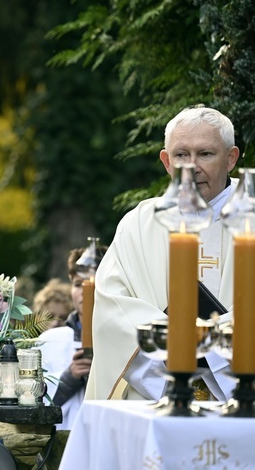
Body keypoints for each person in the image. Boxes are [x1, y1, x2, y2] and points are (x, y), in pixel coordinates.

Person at [87, 105, 241, 402]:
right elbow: (112, 312)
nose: (192, 166)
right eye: (182, 155)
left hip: (243, 401)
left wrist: (210, 347)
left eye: (206, 154)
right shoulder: (139, 224)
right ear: (166, 161)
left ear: (231, 158)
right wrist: (172, 382)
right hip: (154, 400)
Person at [37, 247, 104, 429]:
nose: (85, 291)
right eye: (78, 284)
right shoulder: (49, 341)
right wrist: (67, 379)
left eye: (92, 283)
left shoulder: (126, 341)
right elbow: (30, 404)